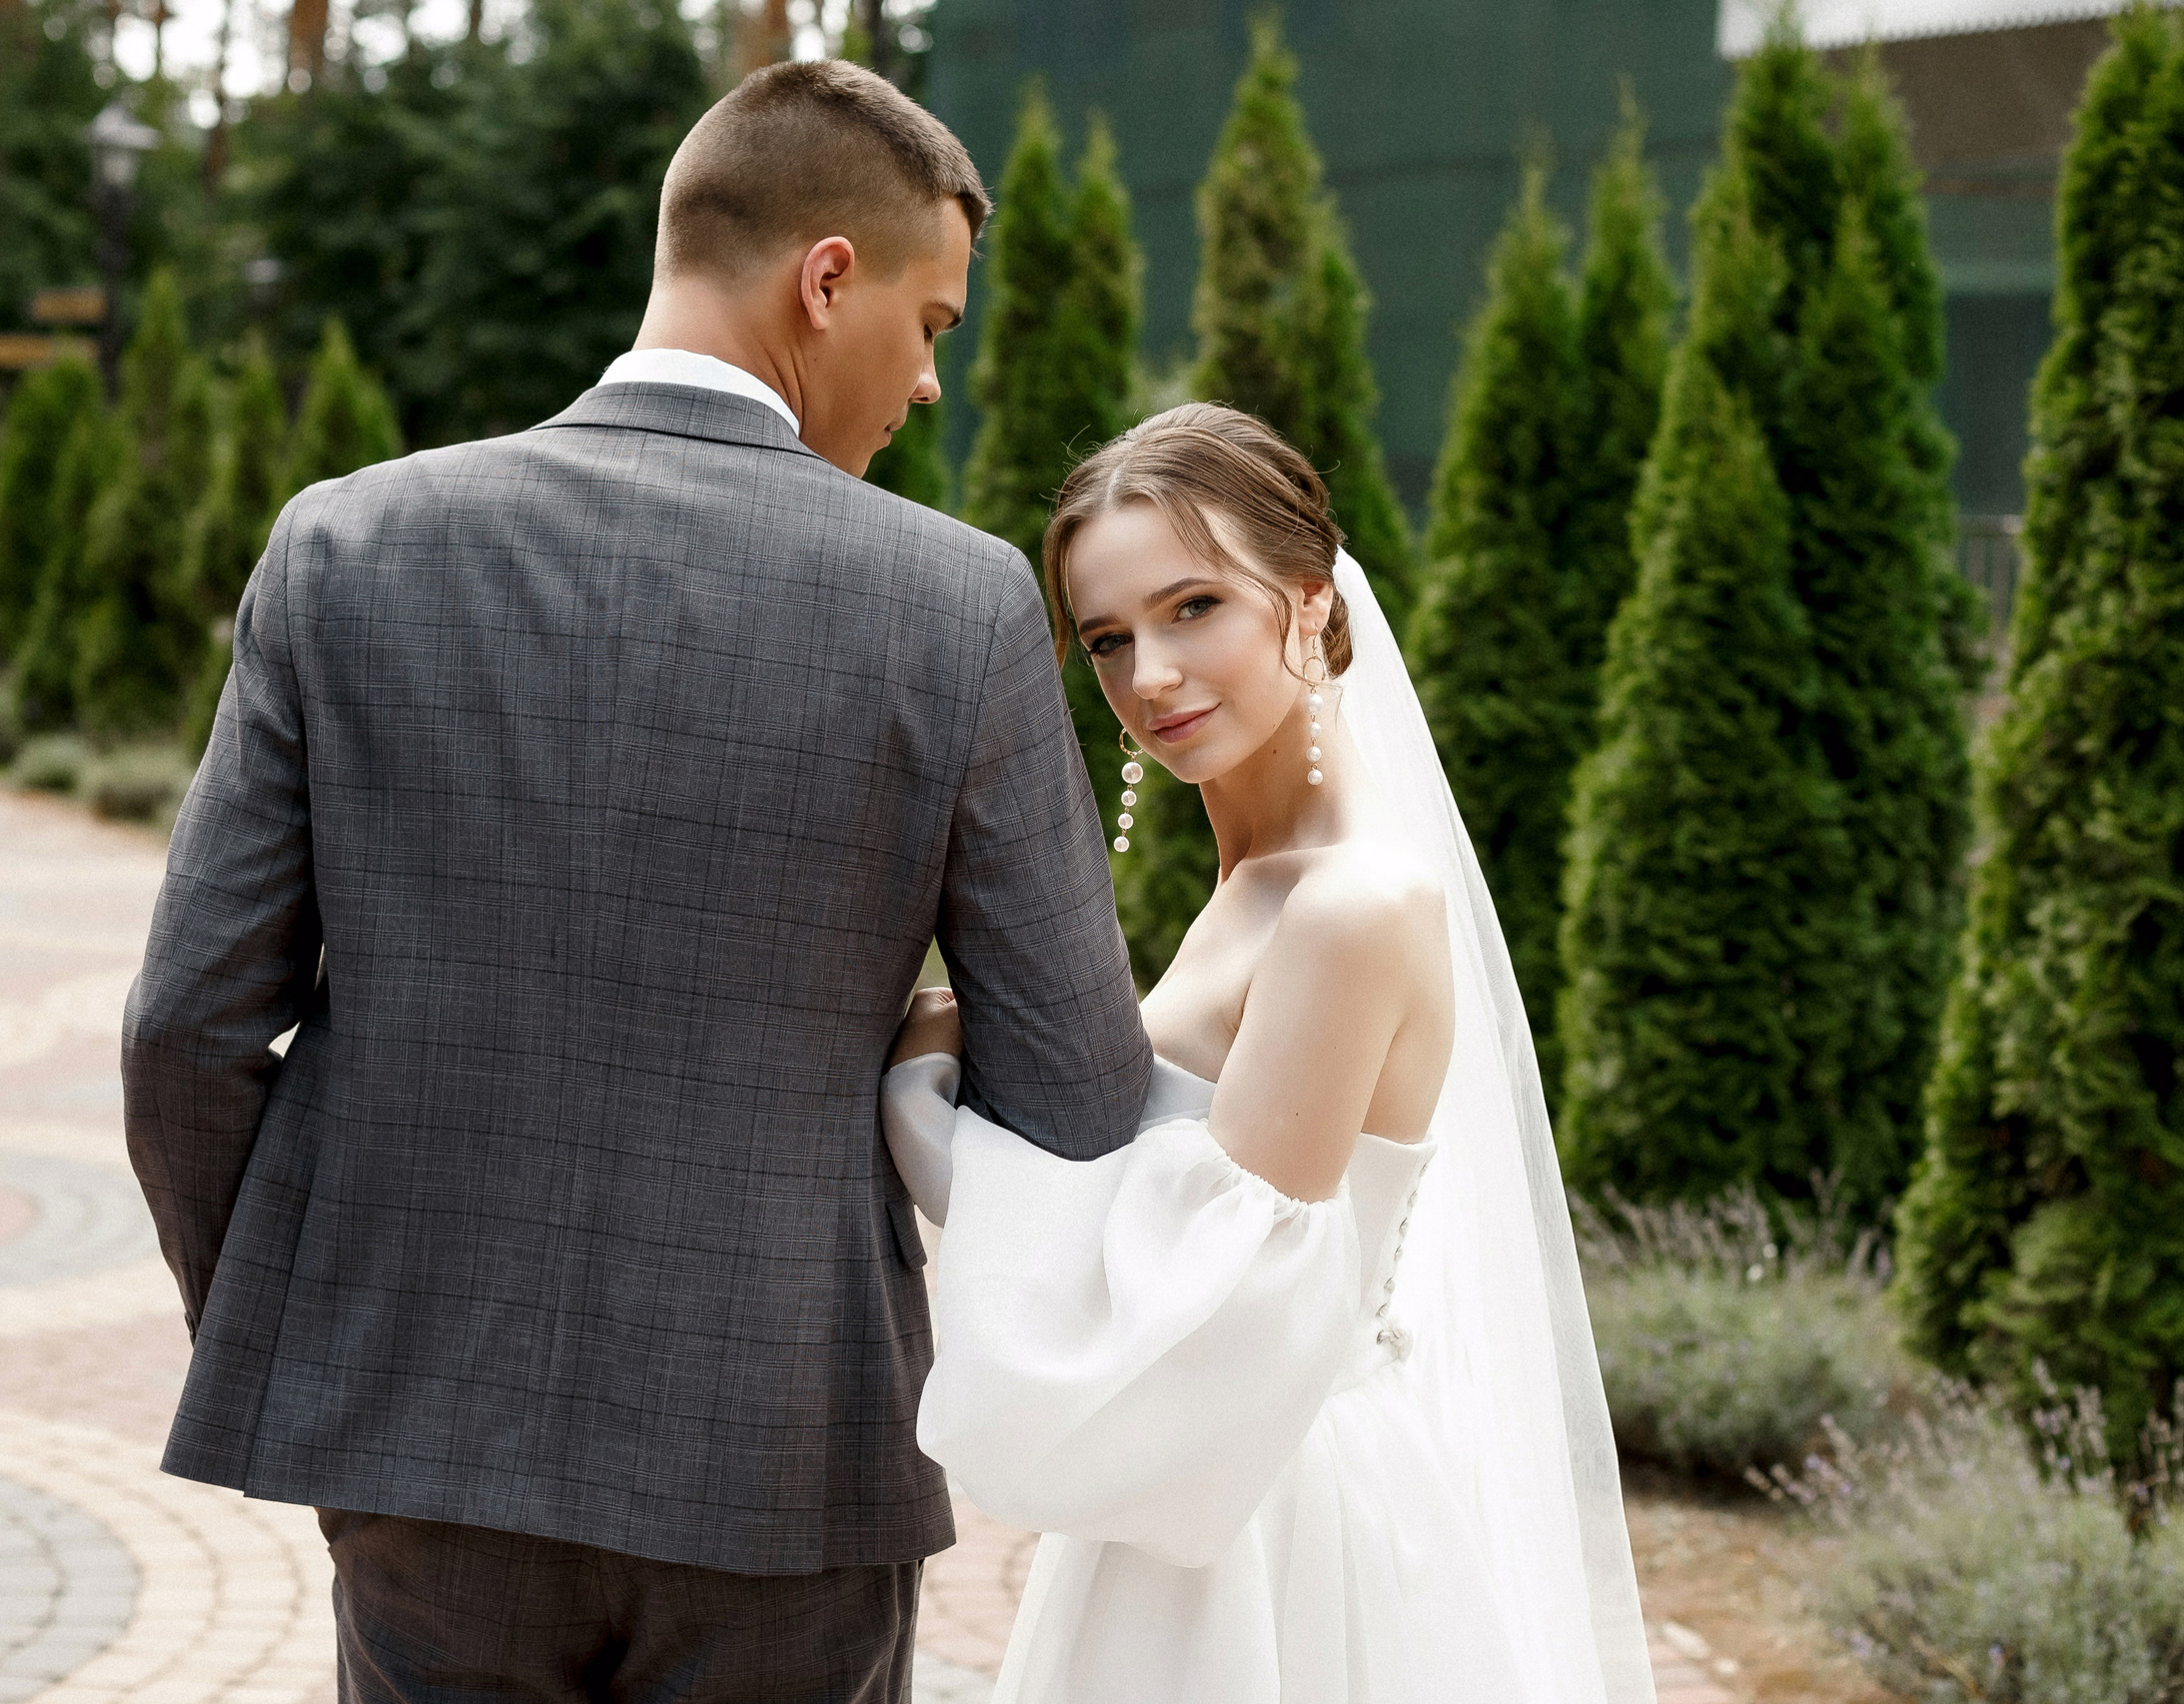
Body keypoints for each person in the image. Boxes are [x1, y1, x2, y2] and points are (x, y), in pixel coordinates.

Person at [121, 59, 1151, 1703]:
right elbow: (1082, 1097)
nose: (932, 382)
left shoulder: (348, 545)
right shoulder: (951, 607)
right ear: (829, 279)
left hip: (419, 1444)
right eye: (935, 323)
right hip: (786, 1460)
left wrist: (319, 1331)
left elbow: (185, 1032)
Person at [881, 405, 1657, 1703]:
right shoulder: (1256, 878)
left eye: (1196, 607)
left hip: (1264, 1530)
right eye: (1112, 639)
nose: (1152, 677)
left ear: (1310, 605)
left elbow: (1205, 1302)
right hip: (1200, 1502)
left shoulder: (1350, 904)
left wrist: (928, 1125)